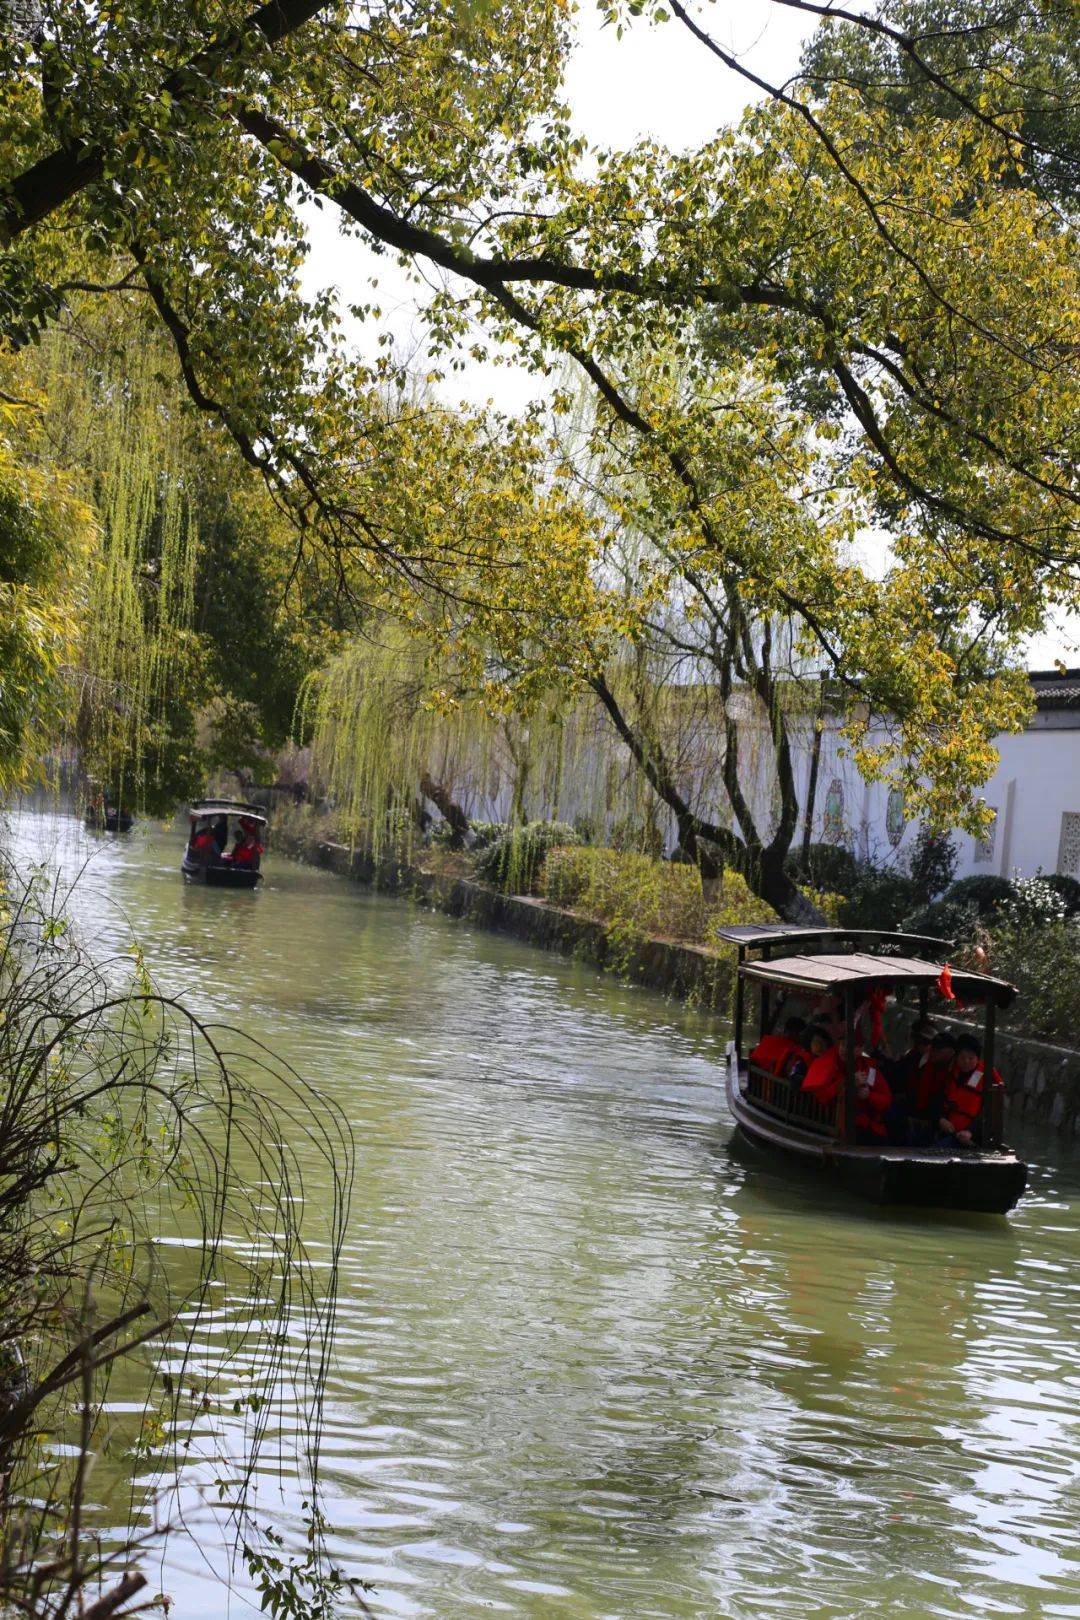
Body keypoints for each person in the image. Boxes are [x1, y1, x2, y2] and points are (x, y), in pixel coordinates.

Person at [802, 1032, 891, 1141]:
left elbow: (886, 1100)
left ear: (860, 1049)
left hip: (867, 1127)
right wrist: (848, 1083)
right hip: (834, 1127)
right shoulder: (829, 1065)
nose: (844, 1049)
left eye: (851, 1046)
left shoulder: (869, 1069)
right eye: (843, 1044)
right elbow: (822, 1097)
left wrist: (869, 1095)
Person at [939, 1035, 1003, 1148]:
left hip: (972, 1137)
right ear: (956, 1057)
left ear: (977, 1058)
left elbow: (989, 1112)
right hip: (948, 1131)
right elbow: (939, 1099)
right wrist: (941, 1119)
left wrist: (970, 1132)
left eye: (971, 1058)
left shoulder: (987, 1076)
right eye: (962, 1057)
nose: (966, 1061)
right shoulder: (950, 1071)